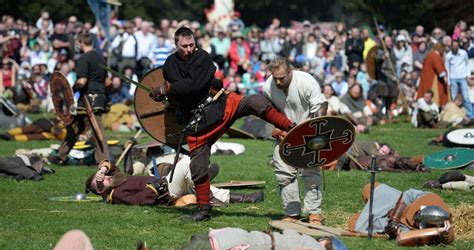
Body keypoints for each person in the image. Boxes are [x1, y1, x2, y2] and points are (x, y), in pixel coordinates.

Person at [148, 27, 294, 221]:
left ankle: (291, 128)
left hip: (220, 105)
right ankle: (203, 210)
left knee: (254, 102)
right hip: (197, 122)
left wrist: (167, 89)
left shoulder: (203, 58)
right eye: (184, 46)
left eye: (192, 44)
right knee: (198, 167)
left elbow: (193, 86)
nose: (189, 49)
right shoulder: (169, 64)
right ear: (176, 45)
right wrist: (162, 94)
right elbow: (178, 95)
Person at [262, 57, 327, 225]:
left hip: (309, 133)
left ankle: (314, 213)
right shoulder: (268, 86)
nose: (278, 81)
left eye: (282, 78)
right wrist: (276, 129)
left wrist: (317, 134)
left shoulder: (306, 81)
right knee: (284, 174)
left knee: (310, 174)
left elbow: (320, 106)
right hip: (285, 135)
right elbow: (270, 112)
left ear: (290, 72)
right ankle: (291, 213)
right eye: (275, 78)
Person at [85, 159, 264, 206]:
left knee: (199, 185)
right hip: (166, 192)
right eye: (99, 184)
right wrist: (153, 189)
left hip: (167, 184)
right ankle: (204, 185)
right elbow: (138, 201)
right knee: (186, 163)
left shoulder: (114, 180)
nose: (104, 179)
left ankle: (245, 199)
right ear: (101, 192)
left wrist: (101, 171)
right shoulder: (115, 194)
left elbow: (110, 165)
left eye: (102, 177)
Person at [48, 33, 109, 165]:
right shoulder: (101, 58)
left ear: (81, 43)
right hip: (97, 97)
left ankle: (105, 160)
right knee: (75, 127)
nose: (77, 46)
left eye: (77, 44)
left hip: (89, 98)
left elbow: (82, 81)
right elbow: (107, 81)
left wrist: (69, 92)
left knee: (98, 130)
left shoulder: (84, 58)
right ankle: (60, 156)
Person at [136, 227, 339, 250]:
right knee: (202, 237)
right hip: (254, 237)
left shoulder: (319, 249)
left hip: (256, 244)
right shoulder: (312, 240)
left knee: (204, 247)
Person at [347, 183, 455, 246]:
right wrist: (395, 217)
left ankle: (366, 213)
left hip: (388, 223)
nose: (416, 221)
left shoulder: (433, 234)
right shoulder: (431, 199)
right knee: (370, 187)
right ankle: (370, 207)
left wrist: (440, 231)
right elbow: (408, 195)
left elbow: (401, 238)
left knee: (354, 222)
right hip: (397, 203)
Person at [445, 38, 473, 120]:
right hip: (453, 78)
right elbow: (447, 68)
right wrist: (449, 81)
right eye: (453, 46)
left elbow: (467, 64)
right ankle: (455, 112)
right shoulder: (448, 56)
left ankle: (470, 113)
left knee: (466, 96)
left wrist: (467, 75)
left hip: (463, 77)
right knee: (454, 97)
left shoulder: (463, 53)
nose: (455, 47)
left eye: (456, 46)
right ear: (451, 46)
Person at [417, 43, 449, 107]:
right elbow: (439, 67)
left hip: (427, 78)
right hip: (433, 80)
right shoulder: (435, 56)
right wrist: (444, 76)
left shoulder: (430, 55)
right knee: (435, 94)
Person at [0, 117, 65, 141]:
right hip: (45, 124)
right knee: (30, 129)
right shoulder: (60, 120)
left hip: (49, 134)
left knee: (34, 136)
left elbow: (61, 136)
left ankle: (11, 138)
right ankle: (8, 134)